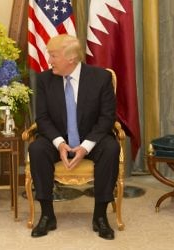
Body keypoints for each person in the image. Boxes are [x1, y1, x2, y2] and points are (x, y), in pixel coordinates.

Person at [28, 34, 119, 240]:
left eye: (53, 55)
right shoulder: (44, 80)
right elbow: (42, 118)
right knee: (37, 148)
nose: (49, 60)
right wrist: (60, 144)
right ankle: (47, 215)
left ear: (70, 58)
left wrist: (85, 147)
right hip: (57, 138)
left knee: (111, 148)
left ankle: (100, 217)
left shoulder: (100, 78)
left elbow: (107, 117)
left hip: (91, 137)